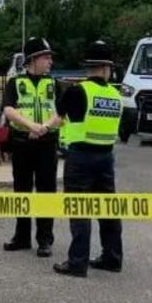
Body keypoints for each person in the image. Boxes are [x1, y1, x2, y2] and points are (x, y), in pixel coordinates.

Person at [53, 40, 124, 278]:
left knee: (79, 209)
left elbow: (58, 118)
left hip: (81, 157)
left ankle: (77, 262)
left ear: (89, 67)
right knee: (108, 209)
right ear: (106, 68)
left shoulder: (77, 91)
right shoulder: (115, 94)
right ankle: (112, 257)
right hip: (106, 158)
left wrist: (39, 129)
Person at [1, 37, 63, 257]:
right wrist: (31, 126)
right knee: (22, 191)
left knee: (46, 192)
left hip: (46, 145)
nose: (50, 62)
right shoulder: (15, 83)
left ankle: (45, 240)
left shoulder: (53, 84)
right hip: (22, 144)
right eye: (46, 57)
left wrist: (44, 127)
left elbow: (60, 114)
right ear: (32, 59)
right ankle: (22, 237)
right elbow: (9, 110)